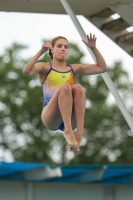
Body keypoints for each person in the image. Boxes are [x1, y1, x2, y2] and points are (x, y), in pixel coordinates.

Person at [23, 33, 108, 151]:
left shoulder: (74, 68)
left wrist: (93, 48)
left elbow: (102, 68)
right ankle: (68, 131)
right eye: (59, 46)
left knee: (78, 88)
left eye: (66, 47)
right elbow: (27, 71)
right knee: (66, 87)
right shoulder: (45, 67)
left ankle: (79, 132)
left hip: (69, 114)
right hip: (51, 115)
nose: (63, 49)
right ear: (52, 49)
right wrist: (41, 52)